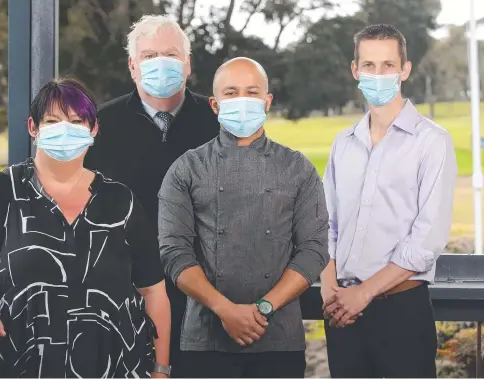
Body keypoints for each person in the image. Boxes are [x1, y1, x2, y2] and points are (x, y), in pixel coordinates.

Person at [0, 77, 171, 378]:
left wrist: (160, 370)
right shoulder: (1, 191)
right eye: (52, 121)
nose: (65, 129)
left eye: (76, 121)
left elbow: (153, 291)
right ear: (33, 128)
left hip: (116, 368)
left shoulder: (121, 202)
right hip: (20, 367)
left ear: (93, 129)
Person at [158, 57, 329, 378]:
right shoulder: (186, 169)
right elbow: (174, 254)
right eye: (231, 93)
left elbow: (315, 249)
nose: (242, 101)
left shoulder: (297, 168)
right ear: (214, 104)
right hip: (205, 342)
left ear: (267, 101)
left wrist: (264, 308)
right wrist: (224, 309)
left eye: (252, 92)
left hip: (279, 341)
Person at [84, 15, 219, 375]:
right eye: (148, 56)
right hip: (126, 301)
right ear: (132, 66)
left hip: (209, 302)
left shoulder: (218, 120)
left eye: (171, 54)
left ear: (188, 64)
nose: (160, 63)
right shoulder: (100, 126)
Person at [321, 24, 457, 378]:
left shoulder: (432, 142)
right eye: (368, 65)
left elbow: (426, 241)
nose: (378, 74)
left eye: (387, 65)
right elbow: (325, 224)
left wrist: (363, 294)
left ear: (404, 70)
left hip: (401, 311)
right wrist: (328, 289)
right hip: (342, 311)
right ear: (355, 71)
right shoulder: (343, 143)